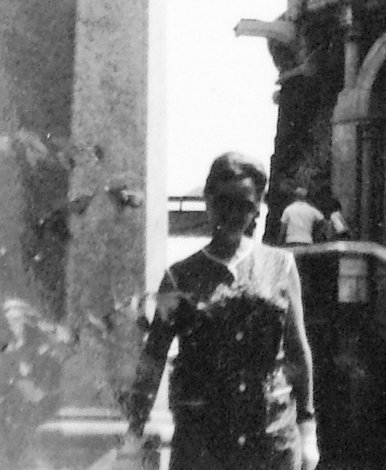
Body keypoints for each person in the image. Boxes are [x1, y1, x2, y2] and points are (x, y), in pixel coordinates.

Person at [119, 152, 320, 470]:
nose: (233, 214)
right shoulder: (179, 277)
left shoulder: (280, 265)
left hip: (270, 435)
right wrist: (133, 433)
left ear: (256, 208)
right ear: (208, 201)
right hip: (204, 439)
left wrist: (308, 430)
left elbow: (297, 350)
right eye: (224, 202)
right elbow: (154, 356)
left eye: (245, 204)